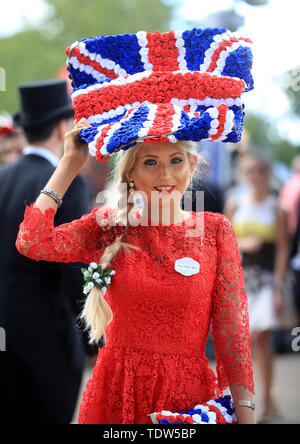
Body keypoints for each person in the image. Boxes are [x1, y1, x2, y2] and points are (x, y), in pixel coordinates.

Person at [16, 28, 255, 424]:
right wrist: (68, 165)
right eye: (150, 162)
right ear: (131, 174)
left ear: (192, 166)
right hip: (115, 398)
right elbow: (33, 241)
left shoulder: (216, 231)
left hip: (187, 401)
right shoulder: (110, 226)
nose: (165, 175)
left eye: (176, 160)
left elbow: (233, 339)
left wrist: (245, 413)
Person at [0, 79, 98, 424]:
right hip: (46, 337)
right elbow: (72, 268)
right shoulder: (63, 181)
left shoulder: (2, 175)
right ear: (62, 126)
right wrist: (94, 340)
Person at [225, 154, 289, 424]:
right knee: (245, 342)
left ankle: (265, 398)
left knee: (259, 335)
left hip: (265, 281)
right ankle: (261, 399)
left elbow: (284, 248)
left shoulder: (277, 208)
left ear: (266, 174)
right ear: (244, 174)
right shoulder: (235, 203)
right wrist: (242, 244)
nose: (255, 176)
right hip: (240, 280)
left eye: (260, 170)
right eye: (250, 171)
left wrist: (278, 285)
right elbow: (226, 243)